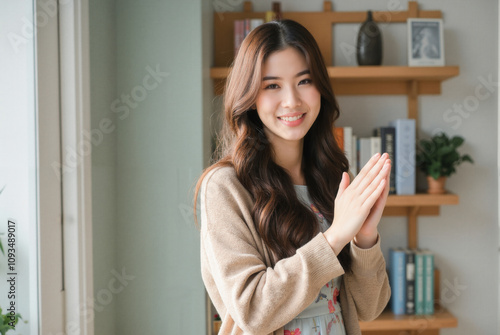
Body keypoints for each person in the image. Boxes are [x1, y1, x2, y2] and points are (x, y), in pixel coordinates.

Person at [195, 19, 391, 335]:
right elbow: (253, 311)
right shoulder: (225, 187)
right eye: (272, 85)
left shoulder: (334, 179)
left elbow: (369, 308)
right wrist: (336, 235)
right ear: (250, 96)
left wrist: (364, 238)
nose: (292, 101)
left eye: (304, 81)